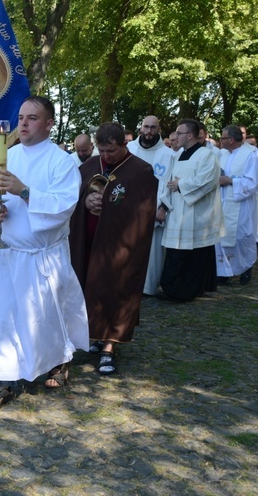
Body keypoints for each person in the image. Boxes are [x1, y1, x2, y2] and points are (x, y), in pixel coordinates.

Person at [0, 96, 89, 409]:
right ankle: (2, 379)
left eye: (32, 118)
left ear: (49, 124)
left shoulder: (61, 161)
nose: (23, 124)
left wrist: (23, 191)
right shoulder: (5, 157)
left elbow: (64, 206)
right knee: (1, 319)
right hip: (6, 254)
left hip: (42, 256)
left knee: (45, 318)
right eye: (21, 117)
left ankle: (58, 360)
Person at [70, 122, 157, 376]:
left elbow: (143, 212)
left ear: (124, 144)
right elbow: (70, 198)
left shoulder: (141, 171)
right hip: (87, 244)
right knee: (89, 288)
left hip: (120, 247)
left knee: (115, 291)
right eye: (102, 150)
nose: (106, 156)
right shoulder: (88, 166)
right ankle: (95, 336)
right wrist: (86, 200)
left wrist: (107, 206)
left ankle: (109, 346)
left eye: (112, 151)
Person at [158, 119, 222, 301]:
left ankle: (187, 291)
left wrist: (181, 185)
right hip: (177, 211)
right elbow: (167, 182)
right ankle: (171, 289)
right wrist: (164, 205)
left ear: (190, 135)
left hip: (197, 214)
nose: (175, 136)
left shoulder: (207, 156)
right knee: (175, 254)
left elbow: (208, 181)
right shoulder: (178, 155)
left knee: (193, 256)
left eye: (179, 133)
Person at [127, 115, 175, 296]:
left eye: (153, 128)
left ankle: (147, 287)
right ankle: (126, 283)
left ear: (159, 130)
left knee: (152, 252)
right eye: (146, 127)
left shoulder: (169, 155)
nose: (149, 131)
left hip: (154, 209)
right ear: (140, 128)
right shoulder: (129, 149)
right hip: (128, 209)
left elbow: (171, 183)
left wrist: (163, 207)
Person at [215, 125, 258, 285]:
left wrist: (231, 181)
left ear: (231, 139)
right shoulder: (221, 154)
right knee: (222, 236)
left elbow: (254, 182)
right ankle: (224, 272)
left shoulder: (249, 155)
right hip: (222, 201)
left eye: (222, 138)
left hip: (241, 204)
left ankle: (245, 268)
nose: (220, 141)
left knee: (241, 236)